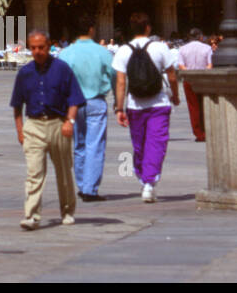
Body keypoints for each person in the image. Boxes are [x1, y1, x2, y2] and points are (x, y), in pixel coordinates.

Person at [10, 30, 85, 229]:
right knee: (34, 173)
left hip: (58, 124)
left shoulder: (62, 69)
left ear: (49, 45)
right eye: (33, 48)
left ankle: (67, 211)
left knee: (63, 172)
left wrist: (70, 121)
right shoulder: (24, 73)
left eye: (41, 47)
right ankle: (31, 215)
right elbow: (17, 106)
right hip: (33, 125)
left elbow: (74, 99)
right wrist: (20, 130)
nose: (37, 51)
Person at [112, 12, 180, 203]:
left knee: (139, 145)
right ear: (148, 28)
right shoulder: (160, 47)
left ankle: (144, 178)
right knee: (157, 143)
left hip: (135, 105)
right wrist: (175, 95)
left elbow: (120, 82)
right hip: (159, 103)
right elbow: (172, 76)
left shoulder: (123, 50)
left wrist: (119, 108)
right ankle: (150, 182)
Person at [59, 16, 116, 201]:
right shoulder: (103, 52)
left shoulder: (65, 53)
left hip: (73, 105)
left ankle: (82, 184)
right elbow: (115, 75)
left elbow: (60, 81)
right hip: (96, 102)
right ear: (91, 29)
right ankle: (90, 189)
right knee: (95, 145)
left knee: (79, 145)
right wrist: (118, 100)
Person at [175, 28, 213, 142]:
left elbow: (181, 65)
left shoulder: (182, 49)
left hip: (189, 80)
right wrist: (202, 73)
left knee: (193, 106)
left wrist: (190, 74)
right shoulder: (207, 48)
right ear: (200, 37)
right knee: (205, 105)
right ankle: (206, 131)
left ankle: (198, 132)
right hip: (204, 79)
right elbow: (210, 64)